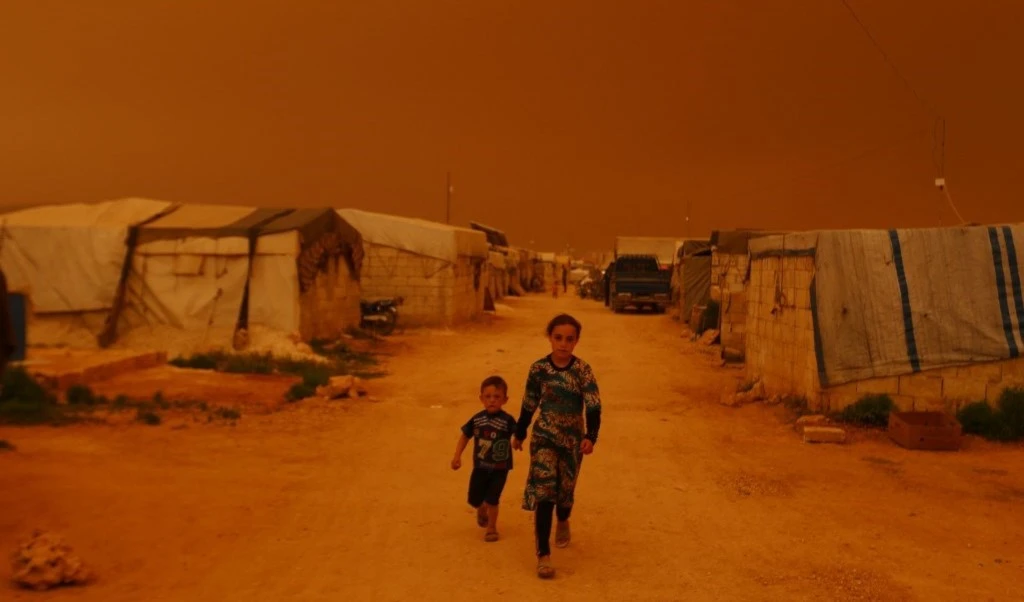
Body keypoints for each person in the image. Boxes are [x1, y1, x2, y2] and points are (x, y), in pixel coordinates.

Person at [512, 314, 602, 579]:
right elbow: (529, 402)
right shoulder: (538, 369)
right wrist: (520, 431)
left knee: (565, 490)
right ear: (550, 337)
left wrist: (591, 436)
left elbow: (594, 405)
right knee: (545, 491)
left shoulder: (582, 370)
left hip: (572, 441)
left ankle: (563, 519)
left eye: (569, 339)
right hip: (544, 438)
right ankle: (543, 555)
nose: (563, 344)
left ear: (576, 342)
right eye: (558, 338)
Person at [451, 375, 518, 542]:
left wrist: (518, 440)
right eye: (488, 397)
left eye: (497, 397)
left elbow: (518, 433)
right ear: (481, 398)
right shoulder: (477, 419)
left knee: (493, 498)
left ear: (505, 399)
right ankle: (481, 507)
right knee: (474, 498)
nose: (492, 401)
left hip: (500, 468)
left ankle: (491, 528)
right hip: (480, 467)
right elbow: (465, 436)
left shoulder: (507, 420)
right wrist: (457, 456)